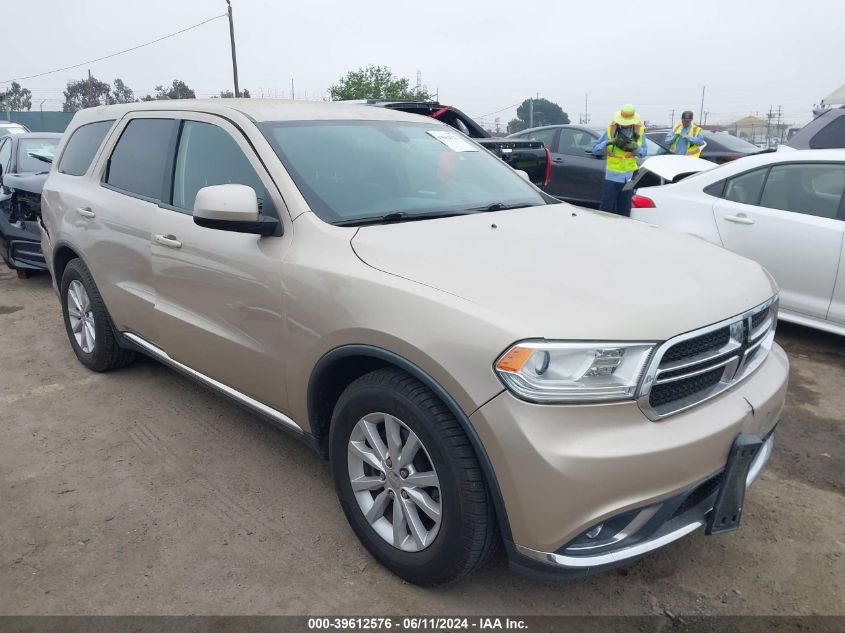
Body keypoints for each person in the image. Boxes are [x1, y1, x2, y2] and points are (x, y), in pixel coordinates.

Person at [592, 104, 647, 216]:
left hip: (629, 178)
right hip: (612, 177)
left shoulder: (639, 132)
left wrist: (635, 147)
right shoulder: (610, 130)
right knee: (606, 210)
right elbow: (595, 150)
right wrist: (607, 142)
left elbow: (643, 153)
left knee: (625, 211)